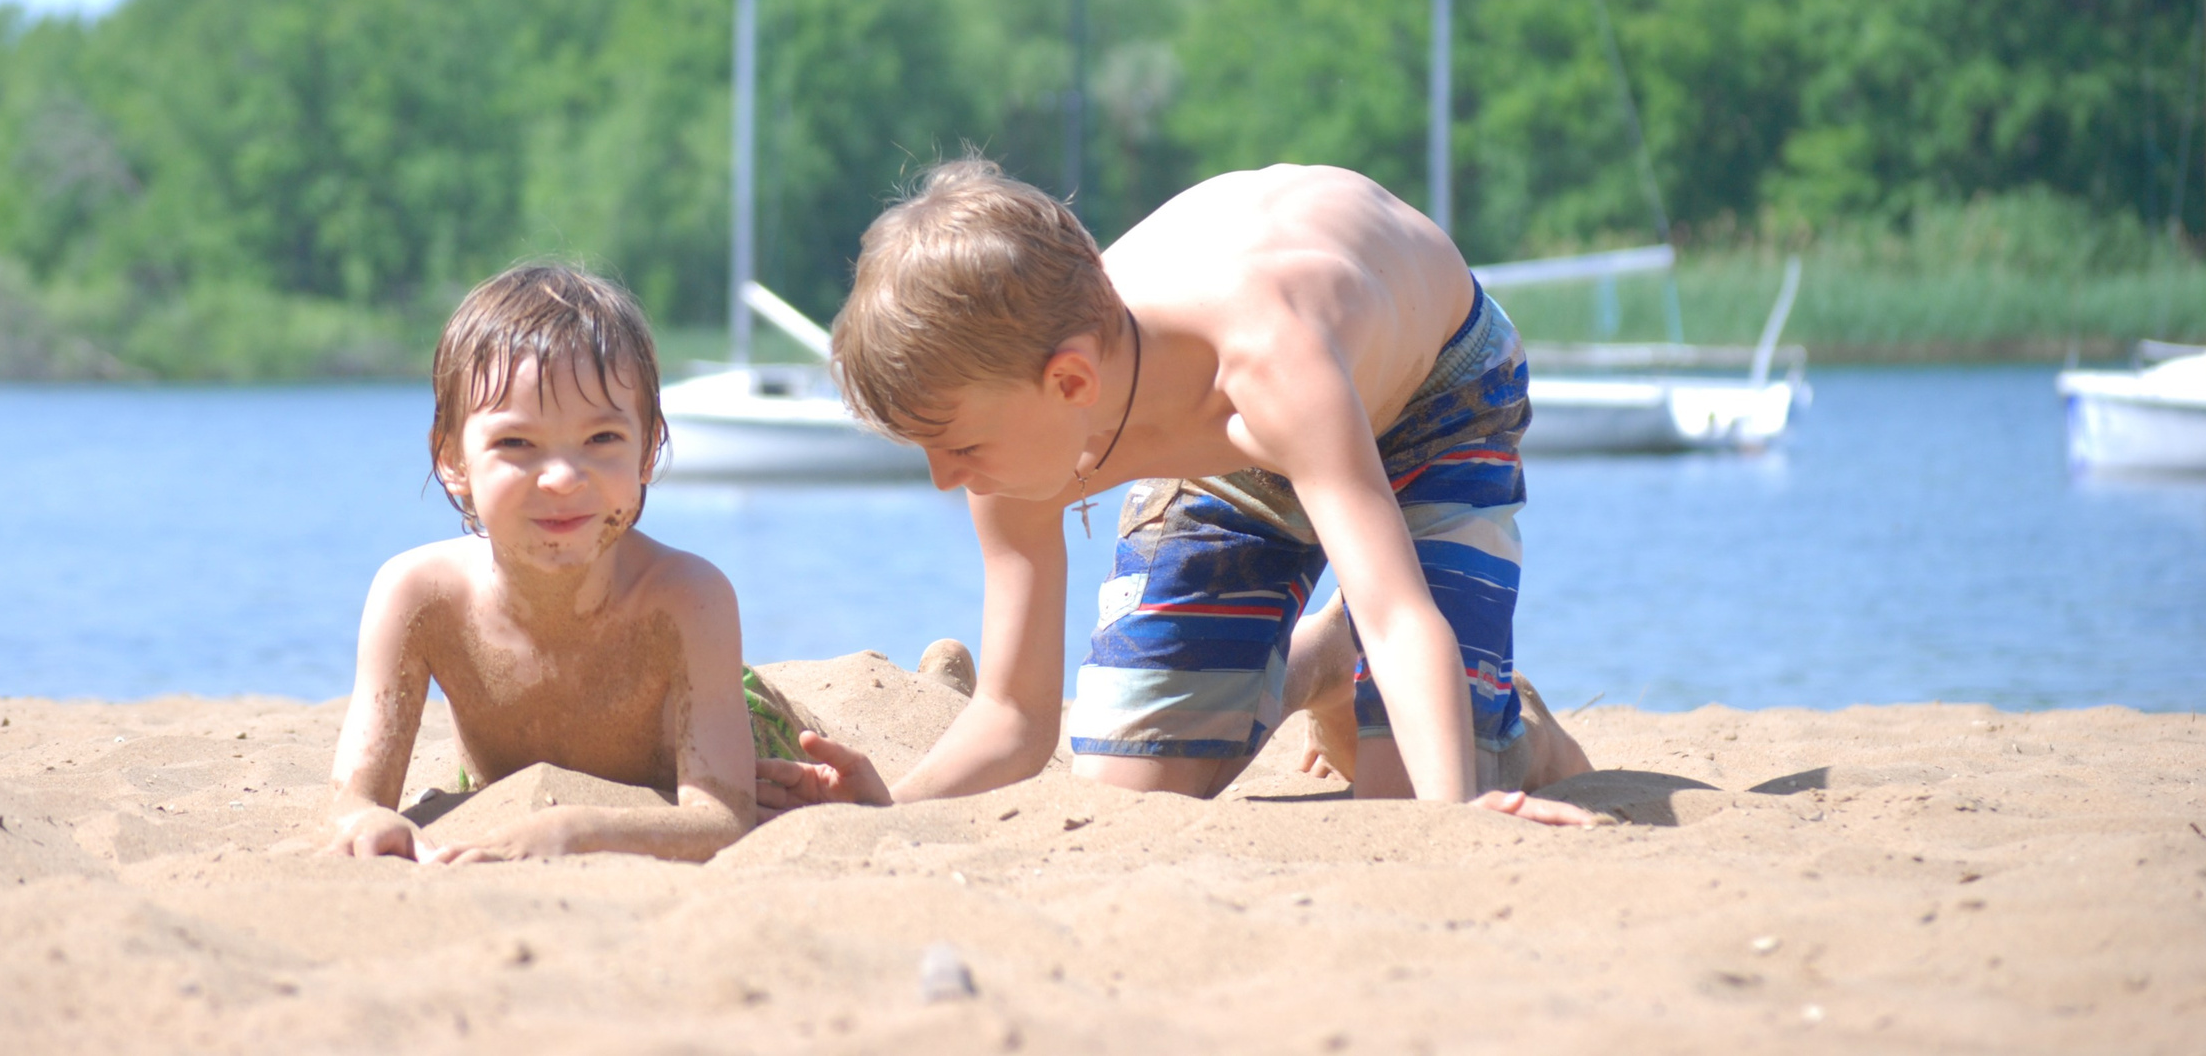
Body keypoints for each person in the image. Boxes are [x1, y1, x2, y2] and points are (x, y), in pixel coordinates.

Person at [757, 159, 1597, 823]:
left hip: (1427, 395)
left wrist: (1456, 820)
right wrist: (887, 808)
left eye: (957, 447)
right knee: (1127, 786)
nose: (946, 479)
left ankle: (1517, 735)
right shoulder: (1011, 411)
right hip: (1218, 438)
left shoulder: (1269, 358)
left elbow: (1398, 613)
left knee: (1409, 799)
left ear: (1071, 380)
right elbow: (1013, 715)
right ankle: (1328, 663)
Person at [324, 263, 757, 864]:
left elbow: (726, 819)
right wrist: (367, 820)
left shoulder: (688, 598)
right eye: (516, 444)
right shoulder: (417, 596)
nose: (561, 478)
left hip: (749, 723)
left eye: (602, 439)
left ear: (648, 449)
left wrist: (581, 833)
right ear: (452, 459)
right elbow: (354, 798)